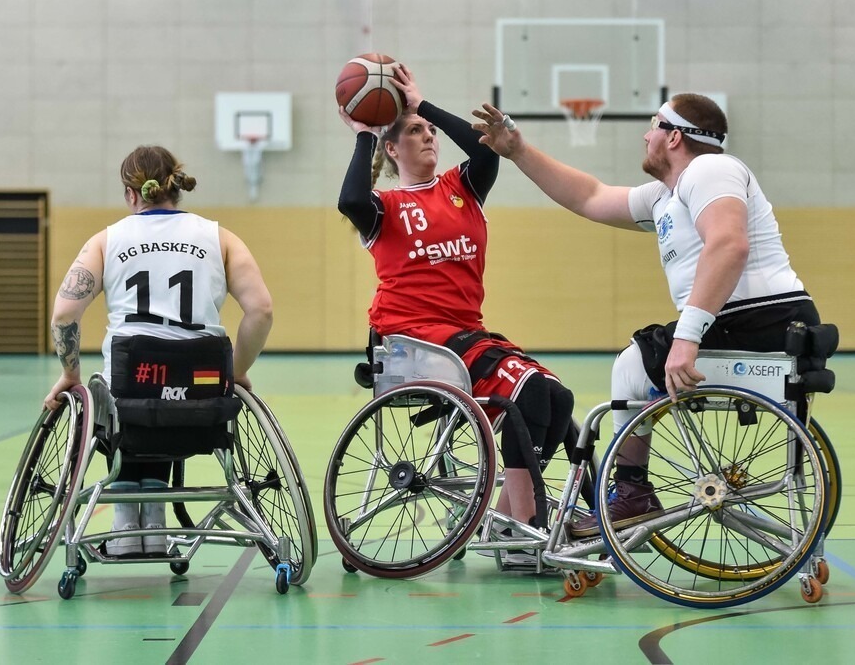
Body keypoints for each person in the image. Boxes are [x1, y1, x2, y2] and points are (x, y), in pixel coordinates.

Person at [472, 94, 823, 537]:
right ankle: (631, 490)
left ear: (674, 137)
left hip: (762, 318)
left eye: (654, 125)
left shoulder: (710, 169)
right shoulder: (666, 195)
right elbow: (590, 196)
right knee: (637, 363)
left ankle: (632, 491)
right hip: (750, 321)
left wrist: (688, 337)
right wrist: (519, 151)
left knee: (632, 365)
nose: (645, 135)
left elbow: (730, 244)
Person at [337, 65, 575, 539]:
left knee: (557, 398)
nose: (428, 135)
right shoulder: (385, 206)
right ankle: (526, 529)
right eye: (415, 131)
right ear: (391, 148)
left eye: (430, 130)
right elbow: (350, 201)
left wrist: (421, 105)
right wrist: (364, 133)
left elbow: (485, 149)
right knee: (529, 392)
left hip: (464, 334)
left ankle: (508, 521)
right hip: (411, 337)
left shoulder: (461, 187)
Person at [44, 145, 273, 555]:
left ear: (131, 194)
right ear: (177, 187)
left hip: (129, 387)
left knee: (125, 392)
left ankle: (126, 523)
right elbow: (261, 310)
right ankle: (154, 516)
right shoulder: (219, 237)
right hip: (202, 392)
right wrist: (236, 371)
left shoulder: (106, 240)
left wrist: (70, 375)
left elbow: (64, 314)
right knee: (174, 386)